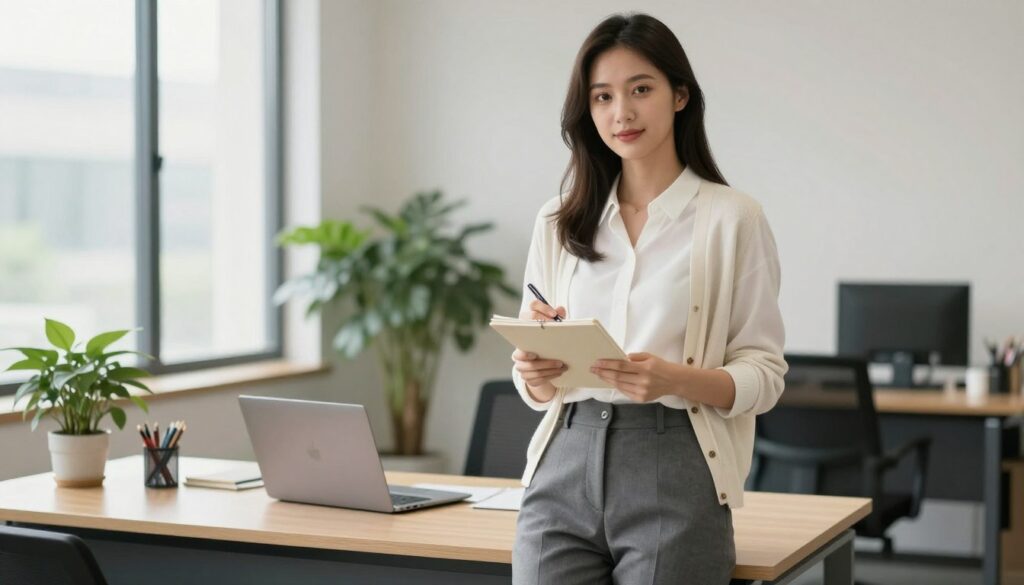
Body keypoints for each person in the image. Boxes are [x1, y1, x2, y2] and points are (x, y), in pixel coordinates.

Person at [510, 12, 788, 585]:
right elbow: (536, 390)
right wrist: (534, 369)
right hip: (562, 464)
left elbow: (765, 375)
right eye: (602, 97)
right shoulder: (558, 221)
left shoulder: (732, 219)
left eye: (641, 90)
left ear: (679, 94)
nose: (622, 113)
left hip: (677, 466)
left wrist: (675, 380)